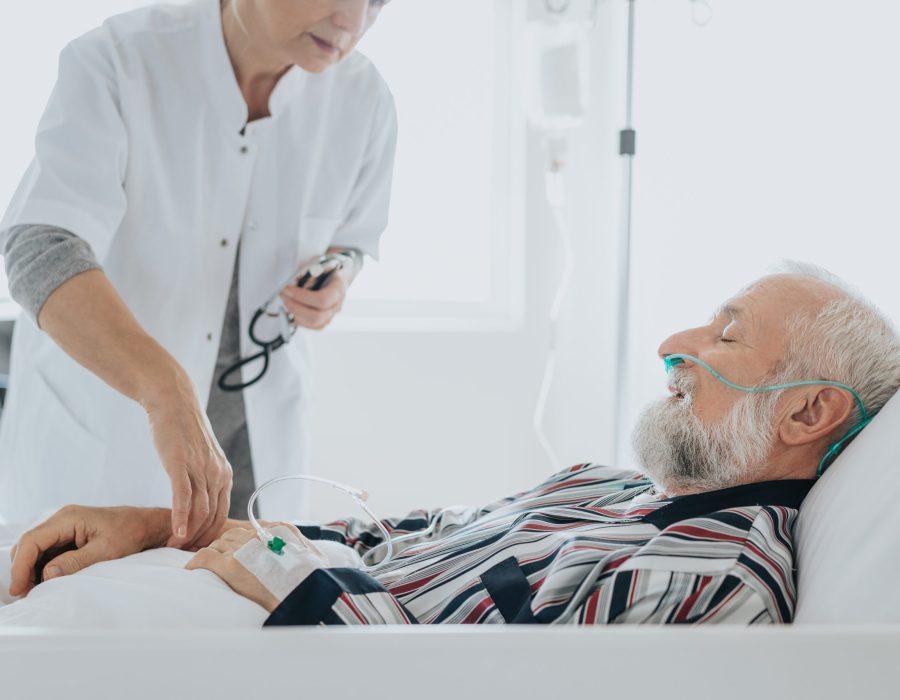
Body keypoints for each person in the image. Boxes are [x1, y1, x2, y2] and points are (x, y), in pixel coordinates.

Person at [8, 265, 900, 625]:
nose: (676, 342)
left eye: (727, 336)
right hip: (243, 595)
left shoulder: (708, 580)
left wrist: (280, 564)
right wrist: (174, 527)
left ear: (807, 412)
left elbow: (466, 684)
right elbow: (397, 539)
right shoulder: (607, 491)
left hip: (272, 633)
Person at [0, 0, 397, 549]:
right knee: (88, 618)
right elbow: (39, 248)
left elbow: (352, 239)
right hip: (110, 439)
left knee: (255, 606)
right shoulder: (119, 60)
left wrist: (338, 275)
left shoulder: (364, 98)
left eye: (377, 1)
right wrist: (164, 389)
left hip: (254, 452)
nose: (352, 23)